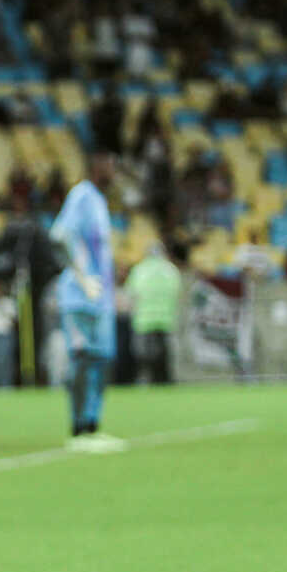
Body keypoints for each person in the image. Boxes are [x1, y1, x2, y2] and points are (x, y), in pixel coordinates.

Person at [50, 151, 126, 452]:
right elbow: (60, 235)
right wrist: (82, 279)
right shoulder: (82, 195)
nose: (114, 171)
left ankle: (92, 426)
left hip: (101, 298)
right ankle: (78, 429)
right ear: (97, 166)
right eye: (110, 165)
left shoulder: (99, 201)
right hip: (79, 297)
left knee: (102, 360)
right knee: (82, 359)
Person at [124, 246, 182, 384]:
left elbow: (130, 293)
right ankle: (164, 379)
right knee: (165, 352)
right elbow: (178, 293)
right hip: (165, 318)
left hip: (144, 318)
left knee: (143, 353)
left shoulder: (139, 270)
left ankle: (145, 379)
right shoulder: (171, 270)